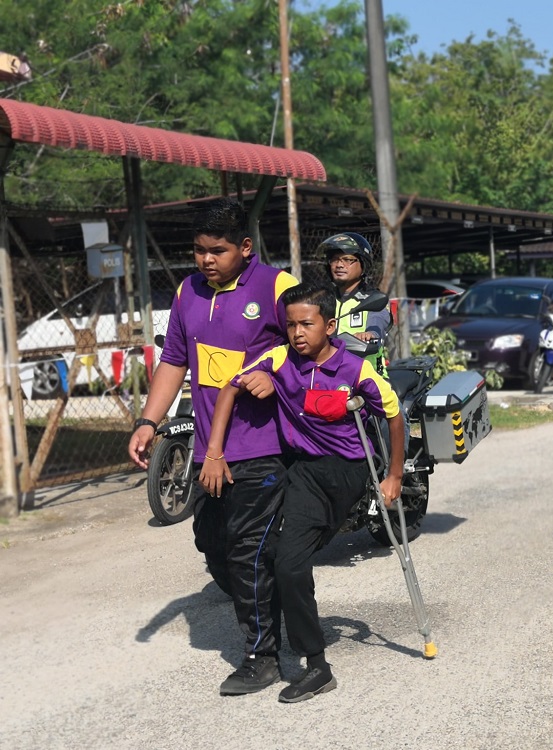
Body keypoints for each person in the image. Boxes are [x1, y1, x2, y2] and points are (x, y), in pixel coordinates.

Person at [201, 282, 404, 703]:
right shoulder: (279, 358)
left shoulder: (355, 369)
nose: (296, 333)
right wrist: (214, 452)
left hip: (341, 471)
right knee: (270, 552)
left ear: (329, 326)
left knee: (290, 563)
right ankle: (277, 650)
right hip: (297, 468)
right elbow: (228, 388)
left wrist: (394, 476)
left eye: (306, 324)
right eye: (290, 325)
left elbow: (393, 412)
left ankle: (317, 666)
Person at [128, 197, 297, 696]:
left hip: (264, 447)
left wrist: (275, 368)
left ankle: (261, 655)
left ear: (245, 248)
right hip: (209, 449)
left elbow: (315, 342)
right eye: (198, 251)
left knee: (248, 551)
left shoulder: (276, 286)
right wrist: (148, 421)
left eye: (217, 251)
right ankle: (271, 596)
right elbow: (174, 360)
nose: (206, 260)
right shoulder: (187, 292)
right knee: (214, 546)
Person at [322, 232, 392, 374]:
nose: (339, 265)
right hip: (331, 376)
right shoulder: (324, 300)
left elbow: (378, 322)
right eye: (334, 260)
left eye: (348, 259)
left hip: (368, 379)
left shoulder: (373, 299)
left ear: (363, 264)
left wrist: (370, 334)